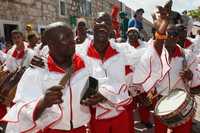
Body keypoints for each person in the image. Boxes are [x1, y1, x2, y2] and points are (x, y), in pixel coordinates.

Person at [80, 6, 171, 132]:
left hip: (120, 114)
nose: (102, 25)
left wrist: (161, 28)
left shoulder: (123, 51)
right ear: (92, 23)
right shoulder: (80, 52)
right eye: (99, 21)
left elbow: (152, 54)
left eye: (107, 22)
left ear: (112, 28)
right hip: (95, 118)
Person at [2, 22, 92, 133]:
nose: (72, 42)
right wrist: (43, 102)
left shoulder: (85, 62)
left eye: (71, 36)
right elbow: (21, 108)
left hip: (81, 129)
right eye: (65, 38)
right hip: (52, 130)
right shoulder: (36, 72)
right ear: (51, 44)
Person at [154, 24, 200, 133]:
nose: (170, 37)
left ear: (178, 37)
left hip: (181, 103)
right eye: (167, 34)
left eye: (174, 34)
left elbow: (196, 82)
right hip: (161, 102)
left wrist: (191, 76)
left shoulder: (188, 56)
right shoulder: (154, 55)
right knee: (160, 131)